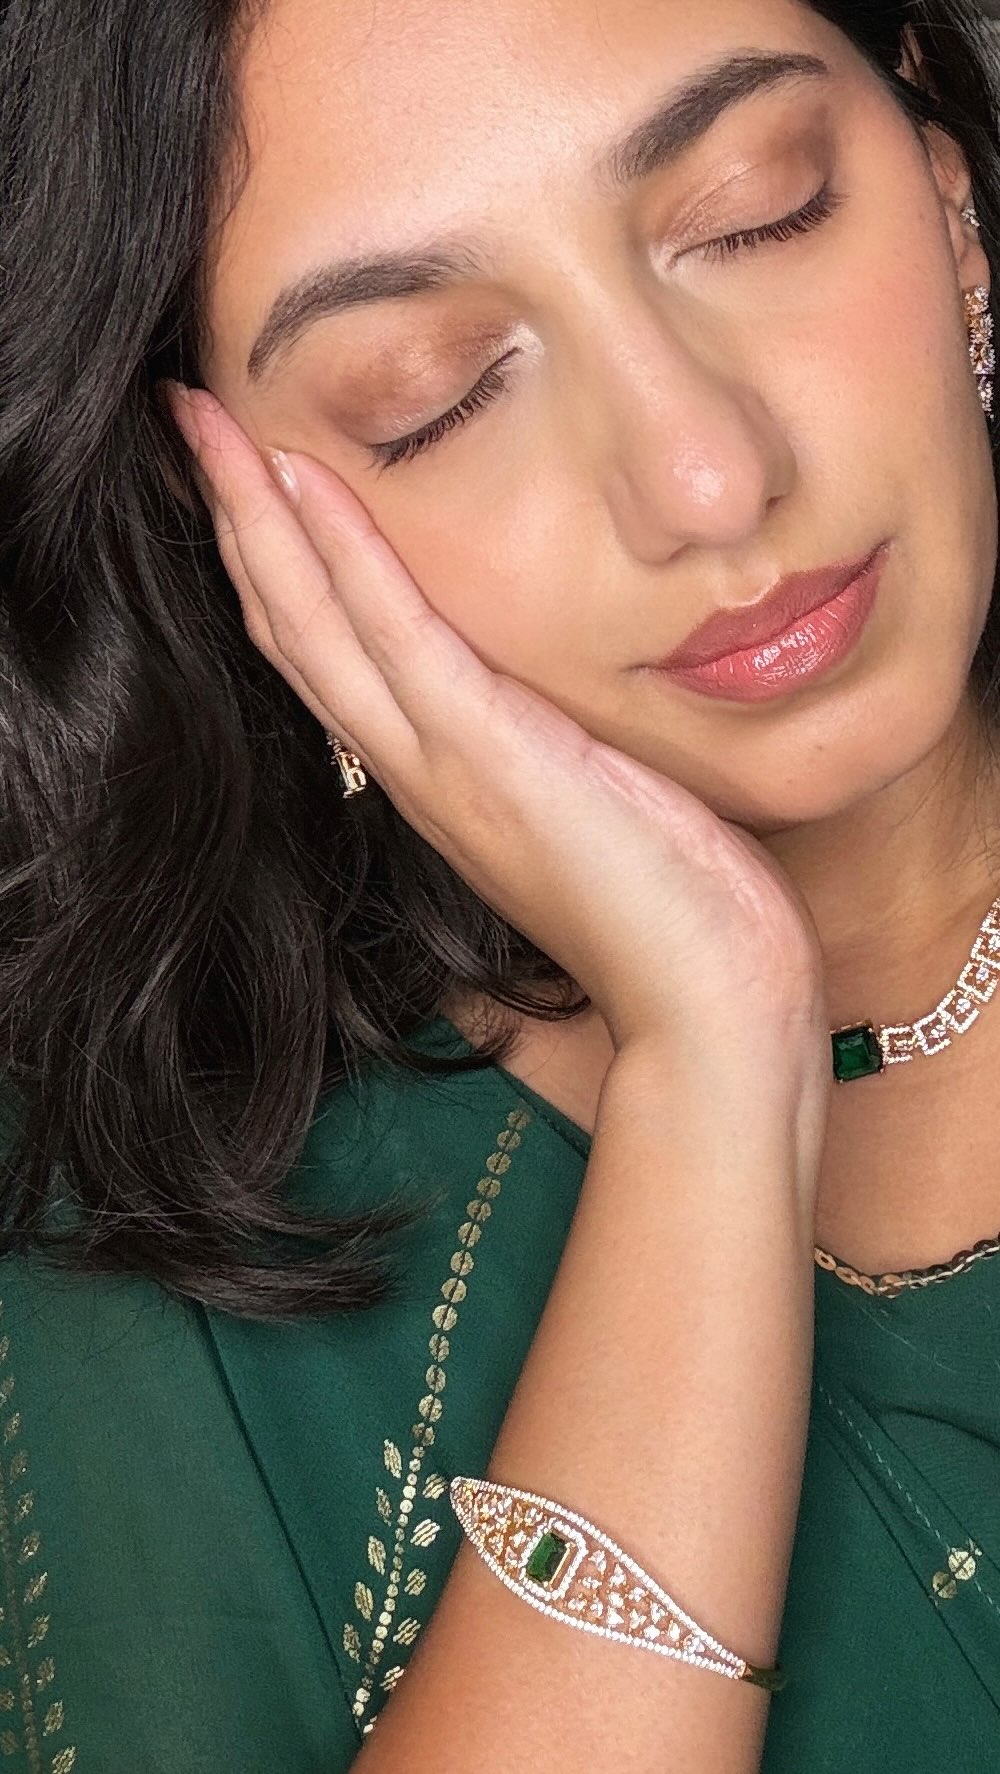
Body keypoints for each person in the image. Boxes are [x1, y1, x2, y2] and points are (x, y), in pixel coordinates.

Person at [1, 0, 999, 1766]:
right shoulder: (141, 1254)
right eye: (438, 393)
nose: (708, 478)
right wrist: (710, 1057)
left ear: (948, 187)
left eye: (757, 213)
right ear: (225, 514)